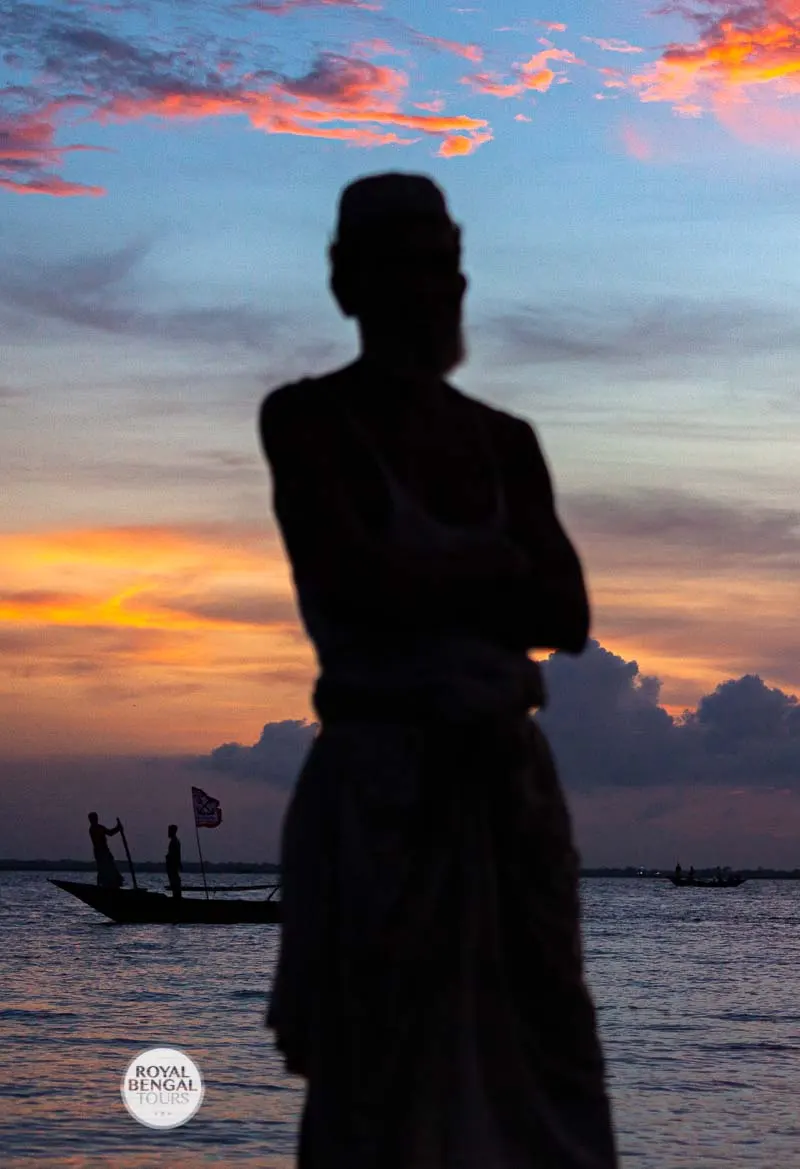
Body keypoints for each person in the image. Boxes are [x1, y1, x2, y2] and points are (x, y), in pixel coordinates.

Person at [260, 172, 618, 1169]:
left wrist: (430, 575)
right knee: (375, 1100)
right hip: (379, 800)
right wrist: (494, 573)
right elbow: (351, 578)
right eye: (410, 270)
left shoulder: (506, 442)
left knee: (551, 1095)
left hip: (507, 802)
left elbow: (567, 611)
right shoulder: (307, 421)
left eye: (447, 268)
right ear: (347, 285)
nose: (437, 292)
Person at [87, 812, 123, 888]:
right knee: (103, 869)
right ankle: (105, 885)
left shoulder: (100, 827)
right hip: (100, 853)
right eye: (92, 819)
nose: (94, 820)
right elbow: (108, 834)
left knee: (110, 868)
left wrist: (118, 828)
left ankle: (113, 885)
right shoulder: (93, 829)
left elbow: (110, 833)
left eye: (95, 818)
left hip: (104, 851)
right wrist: (118, 828)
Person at [166, 824, 182, 898]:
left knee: (174, 880)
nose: (168, 832)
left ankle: (176, 895)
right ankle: (175, 894)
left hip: (173, 865)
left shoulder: (175, 841)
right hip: (172, 865)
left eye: (169, 831)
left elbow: (176, 854)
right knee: (173, 881)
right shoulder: (174, 841)